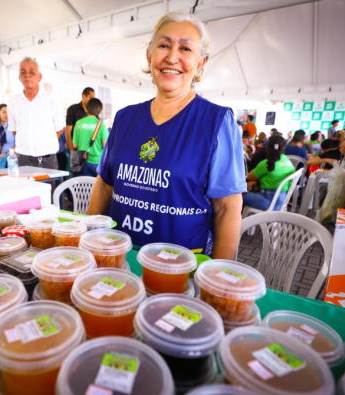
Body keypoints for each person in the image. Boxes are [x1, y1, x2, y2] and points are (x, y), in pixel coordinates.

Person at [88, 11, 246, 258]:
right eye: (164, 45)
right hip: (117, 256)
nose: (172, 57)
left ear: (200, 63)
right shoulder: (125, 117)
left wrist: (215, 278)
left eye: (185, 49)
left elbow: (227, 207)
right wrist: (89, 241)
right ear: (150, 56)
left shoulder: (216, 121)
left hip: (181, 266)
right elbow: (104, 186)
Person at [7, 57, 64, 169]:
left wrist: (42, 146)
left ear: (40, 77)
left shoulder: (51, 99)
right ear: (19, 77)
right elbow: (15, 130)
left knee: (49, 187)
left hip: (47, 160)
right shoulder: (13, 101)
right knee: (26, 187)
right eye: (23, 72)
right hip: (23, 160)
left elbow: (59, 129)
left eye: (32, 72)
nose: (27, 75)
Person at [244, 135, 295, 210]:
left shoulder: (267, 163)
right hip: (281, 200)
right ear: (284, 148)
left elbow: (250, 176)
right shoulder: (287, 161)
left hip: (268, 202)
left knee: (236, 195)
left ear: (267, 147)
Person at [72, 98, 108, 177]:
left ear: (87, 108)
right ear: (100, 110)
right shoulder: (101, 125)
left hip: (81, 162)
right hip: (96, 163)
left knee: (82, 187)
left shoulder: (79, 123)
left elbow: (75, 145)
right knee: (96, 188)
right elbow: (105, 146)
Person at [65, 87, 95, 160]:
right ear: (83, 96)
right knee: (76, 171)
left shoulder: (93, 112)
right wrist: (72, 151)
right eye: (90, 98)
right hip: (76, 150)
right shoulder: (72, 109)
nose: (92, 101)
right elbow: (68, 132)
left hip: (90, 152)